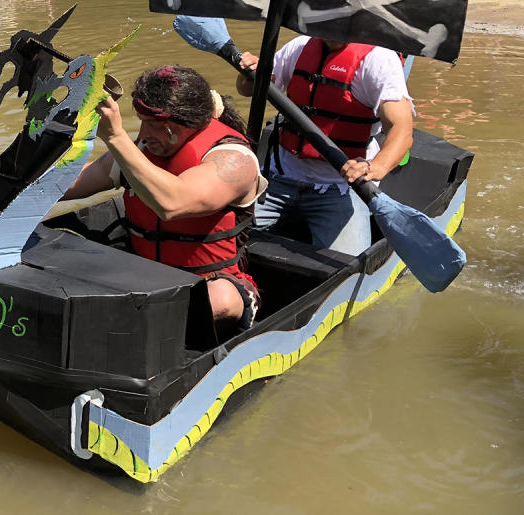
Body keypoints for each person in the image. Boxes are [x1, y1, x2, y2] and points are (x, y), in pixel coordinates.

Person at [62, 66, 266, 331]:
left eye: (156, 126)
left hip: (211, 283)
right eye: (142, 122)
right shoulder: (142, 151)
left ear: (187, 123)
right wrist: (20, 179)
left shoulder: (235, 160)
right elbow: (70, 185)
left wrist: (114, 135)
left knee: (222, 300)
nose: (144, 134)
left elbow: (172, 204)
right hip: (145, 278)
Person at [237, 39, 414, 256]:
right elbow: (247, 90)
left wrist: (375, 167)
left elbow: (402, 129)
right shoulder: (300, 46)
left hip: (340, 186)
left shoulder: (379, 59)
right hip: (279, 178)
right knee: (220, 232)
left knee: (345, 265)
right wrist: (249, 73)